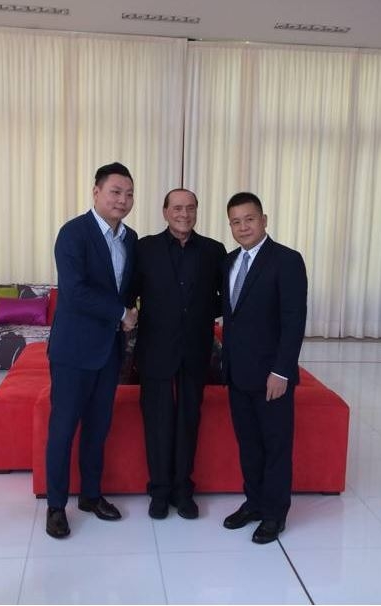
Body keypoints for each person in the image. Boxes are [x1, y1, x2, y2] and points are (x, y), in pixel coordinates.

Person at [45, 162, 139, 539]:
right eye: (115, 191)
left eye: (129, 194)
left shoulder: (130, 238)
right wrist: (121, 313)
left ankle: (90, 495)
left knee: (98, 429)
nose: (122, 200)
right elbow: (75, 291)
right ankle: (56, 506)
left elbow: (128, 288)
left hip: (109, 351)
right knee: (63, 429)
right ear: (96, 192)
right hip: (73, 350)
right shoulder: (74, 233)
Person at [131, 188, 226, 520]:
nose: (184, 214)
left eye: (190, 208)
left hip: (196, 349)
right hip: (155, 350)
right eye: (177, 208)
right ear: (165, 212)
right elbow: (129, 291)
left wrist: (200, 313)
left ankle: (183, 490)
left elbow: (226, 298)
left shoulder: (214, 250)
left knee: (189, 421)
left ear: (197, 211)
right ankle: (159, 490)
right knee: (156, 422)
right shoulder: (145, 248)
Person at [221, 191, 307, 544]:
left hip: (272, 376)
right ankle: (254, 503)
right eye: (236, 222)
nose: (243, 227)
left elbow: (294, 321)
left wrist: (281, 371)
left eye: (250, 219)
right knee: (249, 445)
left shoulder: (287, 260)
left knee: (275, 446)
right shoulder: (228, 261)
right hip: (237, 374)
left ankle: (274, 514)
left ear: (264, 220)